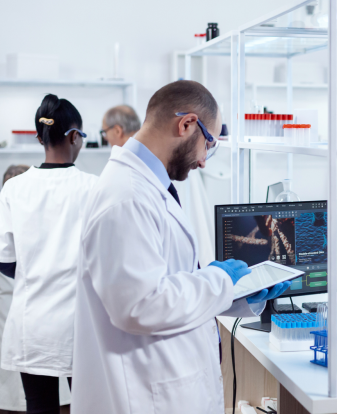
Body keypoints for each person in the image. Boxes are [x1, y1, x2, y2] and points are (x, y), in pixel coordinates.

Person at [71, 80, 290, 414]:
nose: (204, 161)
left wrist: (236, 294)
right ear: (186, 124)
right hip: (146, 394)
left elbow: (169, 284)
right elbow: (140, 305)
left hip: (167, 380)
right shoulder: (125, 196)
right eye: (209, 144)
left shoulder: (148, 187)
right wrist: (218, 281)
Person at [0, 94, 98, 414]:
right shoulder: (93, 187)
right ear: (75, 136)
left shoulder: (14, 187)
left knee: (39, 406)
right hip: (80, 326)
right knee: (90, 406)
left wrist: (35, 272)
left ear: (39, 137)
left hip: (32, 325)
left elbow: (1, 260)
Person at [0, 165, 71, 411]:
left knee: (14, 370)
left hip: (11, 304)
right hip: (38, 307)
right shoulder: (41, 214)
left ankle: (2, 404)